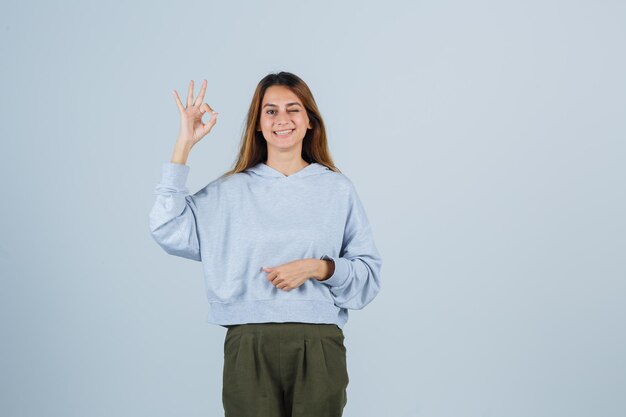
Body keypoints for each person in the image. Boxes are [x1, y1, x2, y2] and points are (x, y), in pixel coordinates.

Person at [149, 71, 383, 417]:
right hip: (249, 344)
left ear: (309, 121)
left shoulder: (337, 190)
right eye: (270, 111)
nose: (282, 120)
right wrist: (184, 144)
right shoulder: (229, 191)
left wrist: (320, 267)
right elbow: (167, 227)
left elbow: (368, 276)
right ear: (257, 124)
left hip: (318, 345)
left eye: (293, 109)